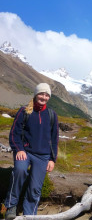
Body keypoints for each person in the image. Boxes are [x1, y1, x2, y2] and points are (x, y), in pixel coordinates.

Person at [5, 83, 59, 220]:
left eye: (47, 95)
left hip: (43, 156)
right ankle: (11, 206)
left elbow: (54, 139)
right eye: (41, 94)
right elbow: (14, 133)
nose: (44, 97)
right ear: (36, 95)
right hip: (25, 152)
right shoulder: (24, 111)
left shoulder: (52, 115)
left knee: (35, 188)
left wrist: (52, 159)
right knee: (20, 170)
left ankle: (29, 215)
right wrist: (19, 149)